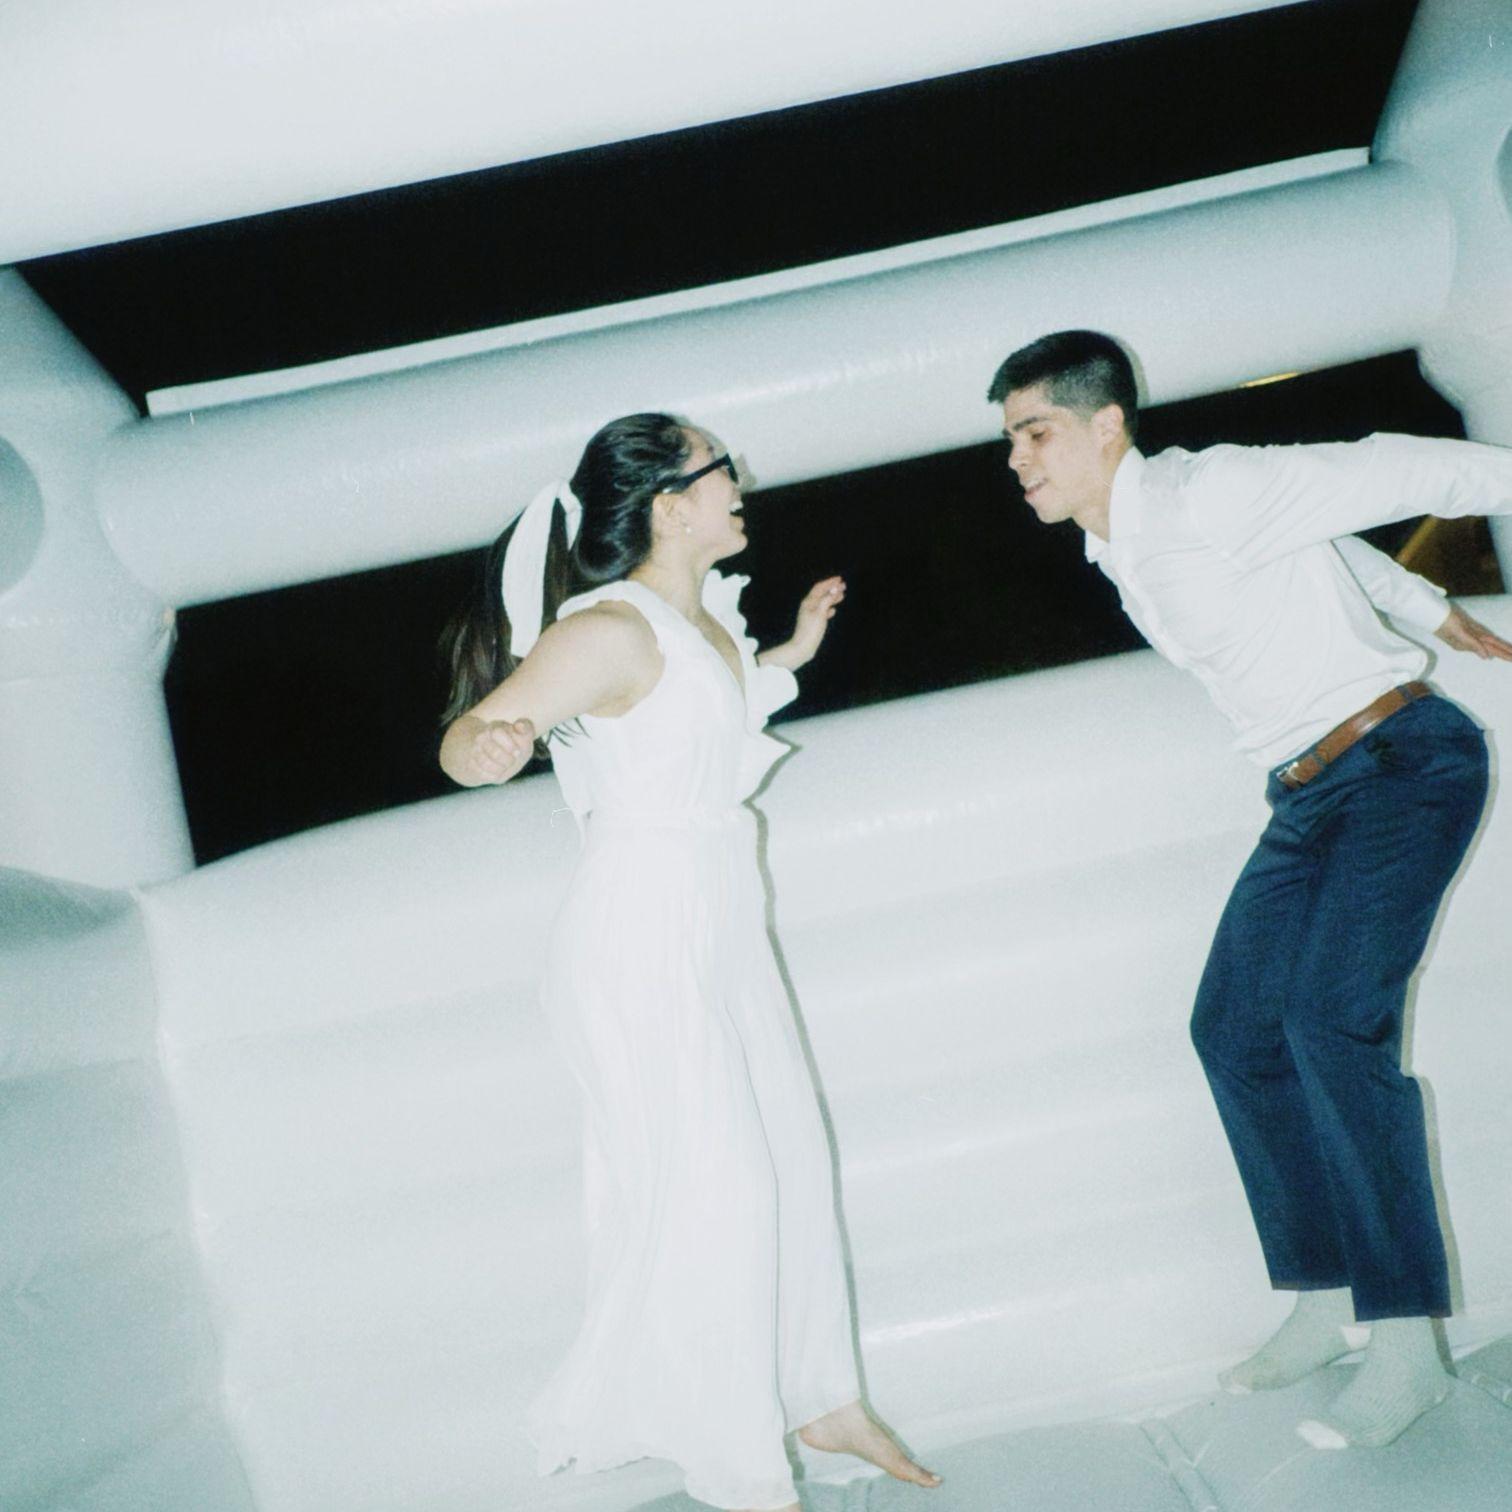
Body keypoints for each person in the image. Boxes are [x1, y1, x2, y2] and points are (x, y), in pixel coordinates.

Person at [987, 331, 1512, 1451]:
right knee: (1232, 1030)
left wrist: (1434, 601)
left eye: (1035, 433)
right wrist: (1428, 608)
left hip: (1405, 766)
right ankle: (1326, 1298)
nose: (1018, 459)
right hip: (1308, 795)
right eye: (1011, 440)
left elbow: (1391, 467)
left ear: (1106, 425)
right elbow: (1328, 546)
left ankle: (1408, 1346)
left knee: (1330, 1024)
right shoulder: (1117, 547)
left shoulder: (1207, 491)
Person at [438, 412, 939, 1512]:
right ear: (670, 505)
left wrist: (793, 650)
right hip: (642, 932)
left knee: (790, 1165)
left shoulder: (697, 620)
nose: (740, 480)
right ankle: (744, 1474)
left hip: (719, 920)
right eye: (722, 468)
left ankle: (821, 1397)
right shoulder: (611, 631)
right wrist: (492, 745)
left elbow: (715, 710)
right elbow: (471, 737)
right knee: (721, 1196)